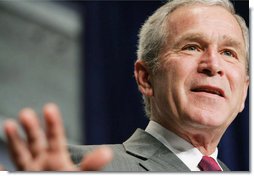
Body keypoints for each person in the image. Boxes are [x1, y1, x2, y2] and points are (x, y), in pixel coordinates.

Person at [2, 0, 249, 171]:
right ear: (145, 78)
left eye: (229, 53)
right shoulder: (81, 167)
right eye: (191, 47)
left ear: (243, 94)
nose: (213, 64)